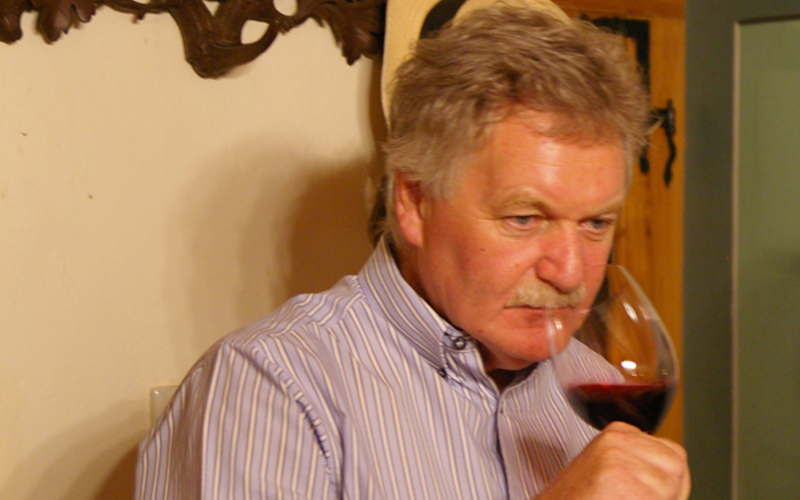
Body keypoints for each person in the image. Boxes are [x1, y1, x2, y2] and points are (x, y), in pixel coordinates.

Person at [136, 1, 691, 498]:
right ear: (414, 202)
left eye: (596, 223)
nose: (570, 273)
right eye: (524, 218)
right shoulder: (273, 387)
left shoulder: (592, 385)